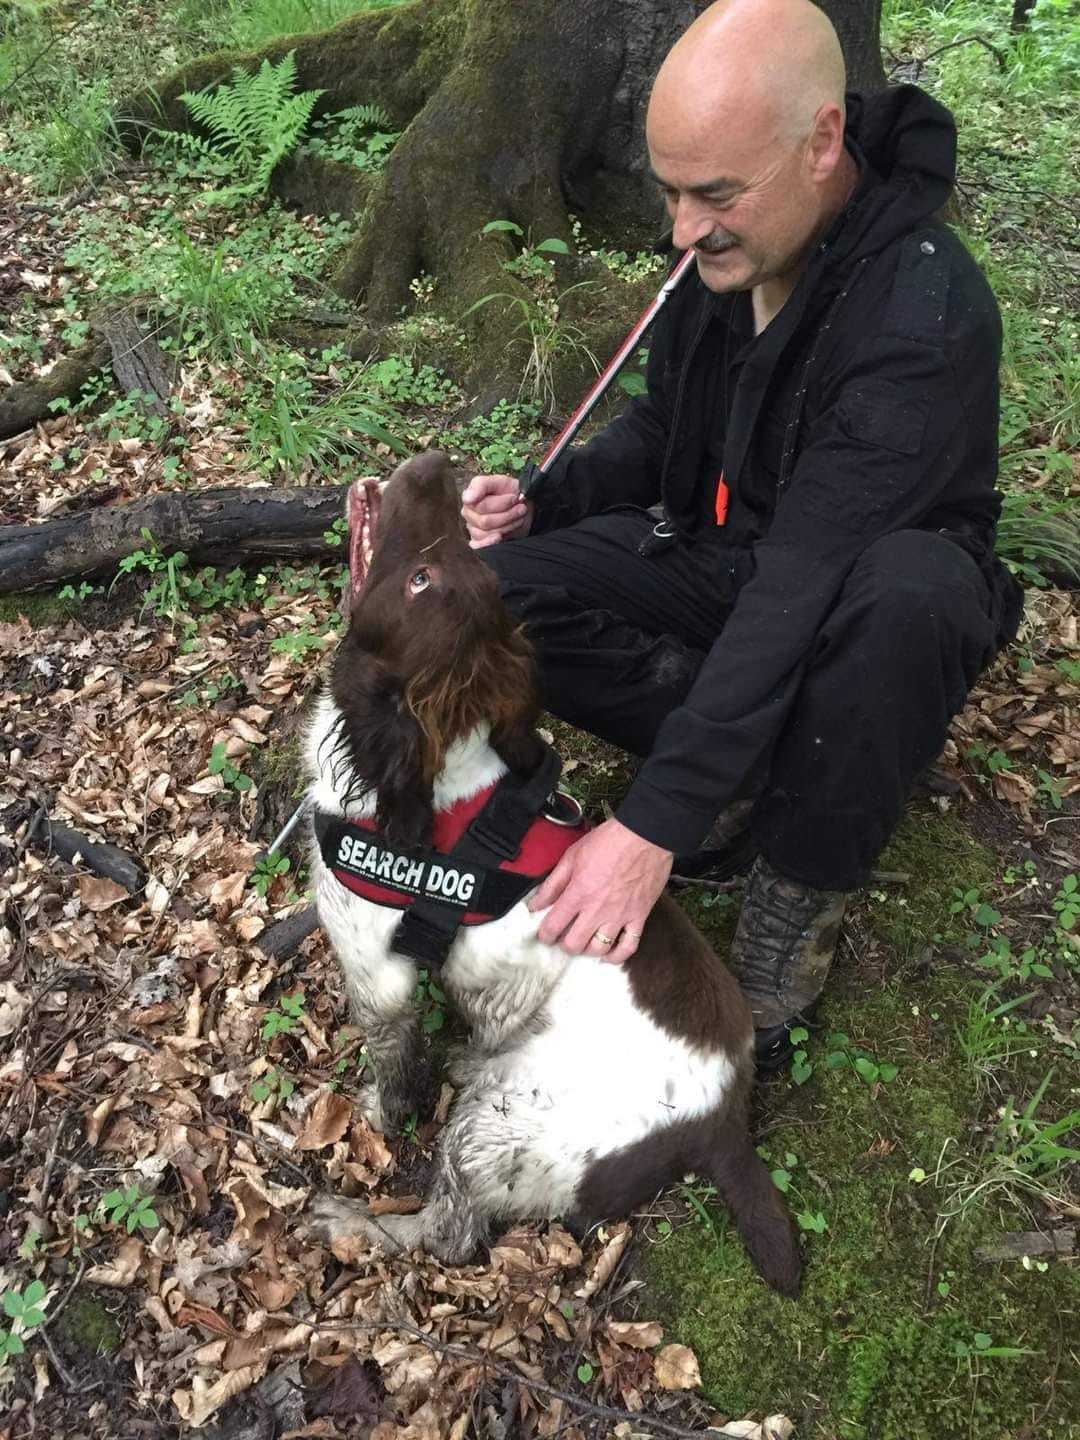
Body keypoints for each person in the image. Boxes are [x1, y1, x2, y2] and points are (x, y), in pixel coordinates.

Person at [460, 0, 1023, 1067]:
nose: (683, 229)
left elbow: (804, 578)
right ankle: (753, 772)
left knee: (914, 592)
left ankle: (801, 881)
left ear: (821, 142)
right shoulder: (722, 262)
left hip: (857, 599)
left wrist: (655, 824)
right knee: (494, 594)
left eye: (714, 195)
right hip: (730, 560)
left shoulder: (920, 315)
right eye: (670, 192)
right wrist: (552, 499)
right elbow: (667, 428)